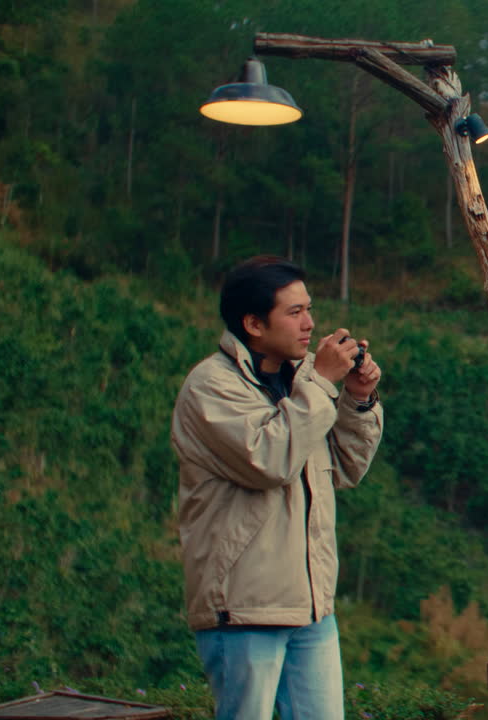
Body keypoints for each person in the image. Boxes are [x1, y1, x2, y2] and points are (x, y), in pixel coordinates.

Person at [171, 255, 383, 720]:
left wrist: (358, 399)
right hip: (244, 609)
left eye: (309, 309)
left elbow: (348, 469)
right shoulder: (210, 388)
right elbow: (269, 461)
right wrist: (324, 385)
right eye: (294, 312)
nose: (310, 324)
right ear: (253, 323)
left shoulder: (306, 380)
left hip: (311, 607)